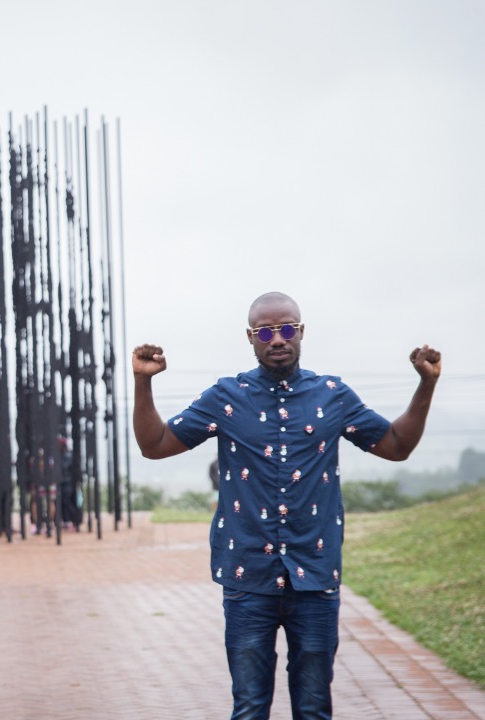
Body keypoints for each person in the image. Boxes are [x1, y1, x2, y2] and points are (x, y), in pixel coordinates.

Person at [131, 291, 441, 720]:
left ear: (301, 332)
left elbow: (396, 444)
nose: (278, 338)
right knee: (250, 707)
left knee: (313, 709)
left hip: (314, 577)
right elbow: (155, 445)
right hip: (247, 580)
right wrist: (143, 381)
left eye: (287, 328)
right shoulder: (226, 397)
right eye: (266, 331)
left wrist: (426, 384)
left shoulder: (332, 395)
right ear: (251, 338)